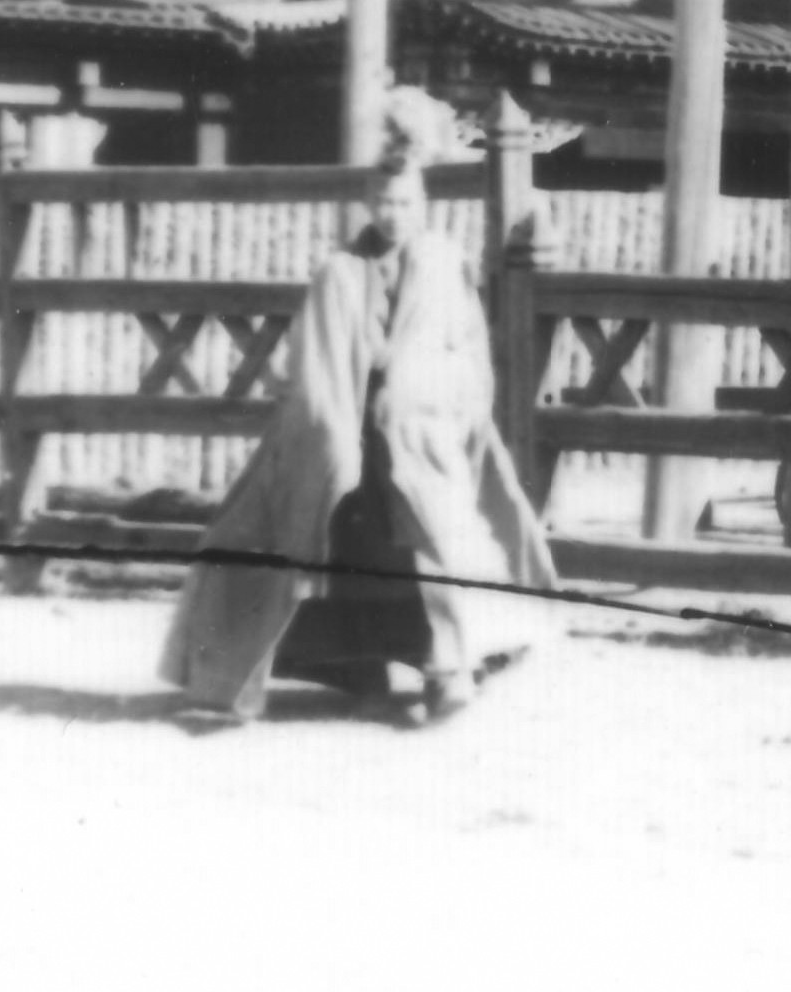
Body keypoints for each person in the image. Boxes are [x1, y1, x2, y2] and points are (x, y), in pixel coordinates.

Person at [158, 91, 554, 724]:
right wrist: (333, 437)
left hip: (423, 437)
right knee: (311, 542)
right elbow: (312, 368)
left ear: (422, 206)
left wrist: (429, 399)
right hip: (348, 434)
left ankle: (448, 672)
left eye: (405, 204)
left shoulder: (445, 266)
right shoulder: (339, 273)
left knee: (437, 542)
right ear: (368, 205)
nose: (394, 215)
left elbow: (470, 355)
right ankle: (346, 664)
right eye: (384, 203)